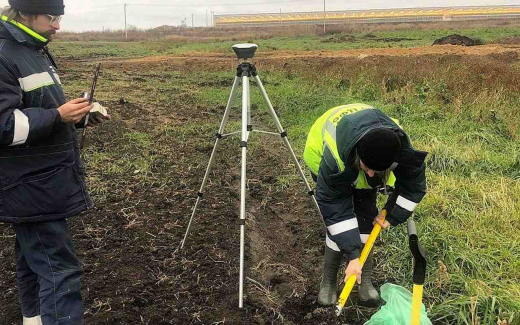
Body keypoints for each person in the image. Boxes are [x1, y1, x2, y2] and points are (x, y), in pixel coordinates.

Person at [0, 1, 110, 324]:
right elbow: (4, 126)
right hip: (30, 186)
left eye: (58, 18)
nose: (57, 26)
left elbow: (40, 108)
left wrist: (76, 117)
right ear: (25, 14)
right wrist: (57, 115)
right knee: (59, 270)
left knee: (33, 265)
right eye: (51, 18)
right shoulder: (5, 54)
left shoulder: (35, 50)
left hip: (38, 185)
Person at [303, 103, 427, 307]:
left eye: (377, 171)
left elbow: (413, 186)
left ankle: (365, 280)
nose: (370, 174)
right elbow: (336, 208)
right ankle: (329, 282)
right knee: (340, 223)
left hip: (359, 154)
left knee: (366, 215)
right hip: (325, 161)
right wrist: (352, 256)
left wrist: (393, 215)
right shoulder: (334, 157)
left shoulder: (397, 147)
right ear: (358, 156)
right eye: (367, 168)